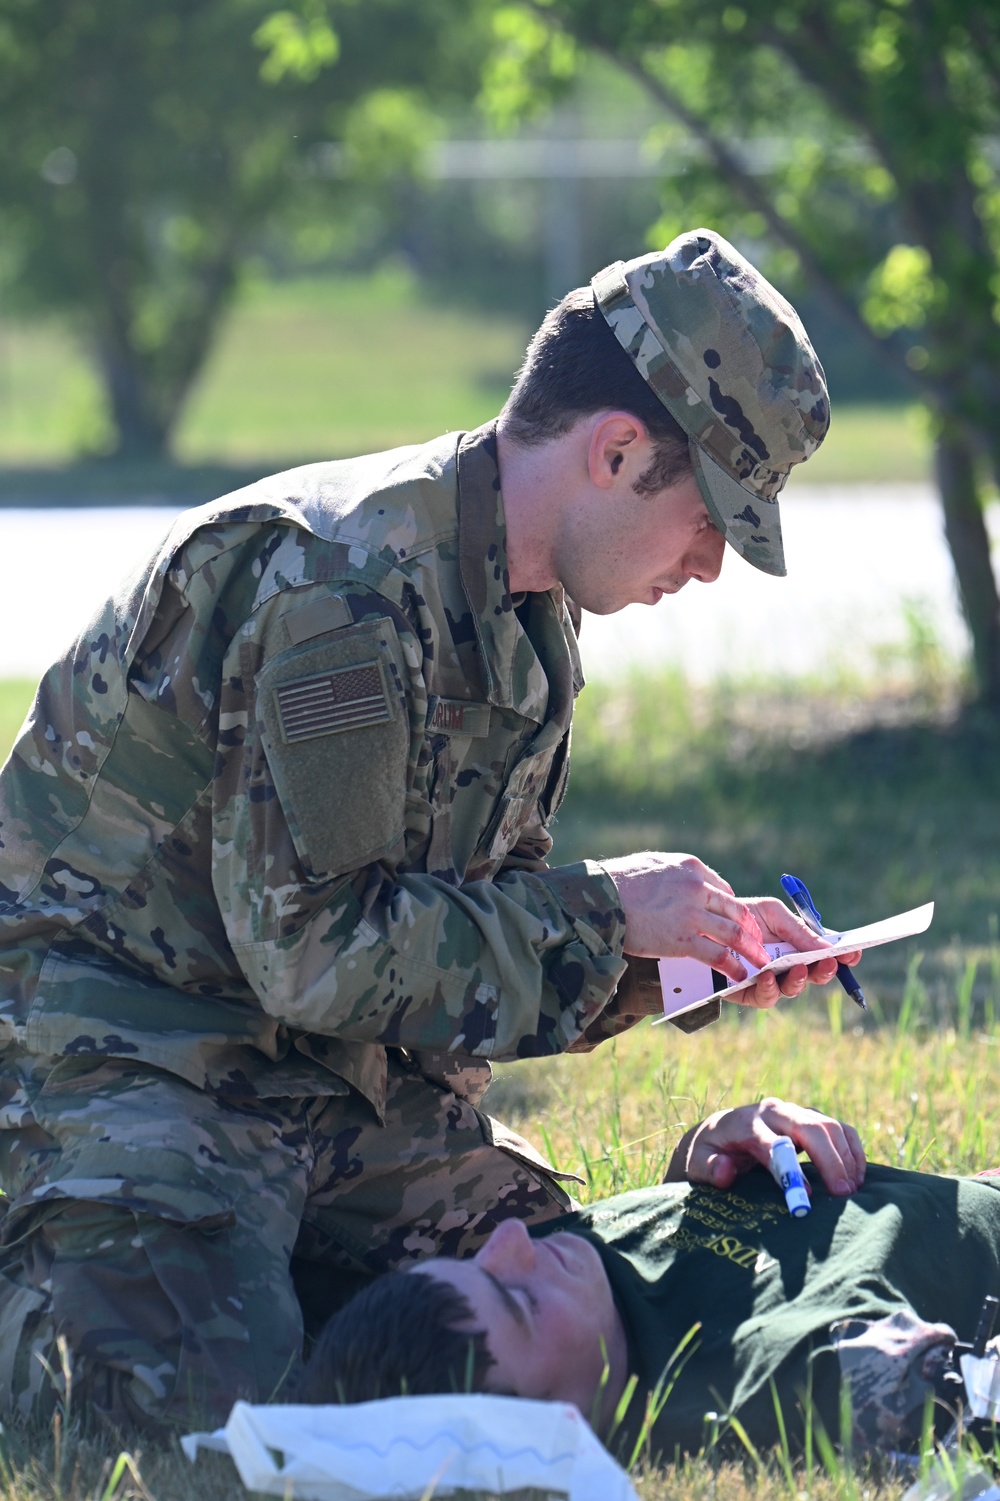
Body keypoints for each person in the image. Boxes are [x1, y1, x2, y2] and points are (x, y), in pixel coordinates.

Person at [0, 228, 856, 1433]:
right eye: (711, 517)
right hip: (121, 1038)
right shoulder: (333, 585)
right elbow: (316, 953)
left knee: (589, 1316)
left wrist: (681, 959)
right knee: (184, 1423)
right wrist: (609, 909)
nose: (708, 566)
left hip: (312, 1060)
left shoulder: (524, 616)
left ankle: (256, 1253)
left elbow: (443, 947)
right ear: (615, 452)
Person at [299, 1100, 1000, 1462]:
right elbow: (955, 1402)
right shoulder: (775, 1380)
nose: (513, 1240)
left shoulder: (578, 1269)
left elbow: (689, 1261)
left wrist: (714, 1142)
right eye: (518, 1301)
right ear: (555, 1430)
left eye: (480, 1261)